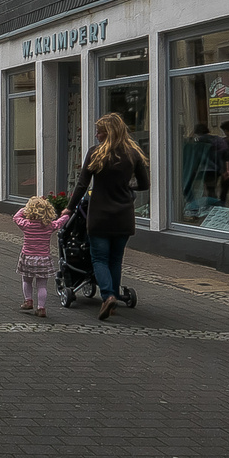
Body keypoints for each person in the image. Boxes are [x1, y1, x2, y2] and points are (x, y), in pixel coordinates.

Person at [64, 112, 151, 320]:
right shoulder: (133, 154)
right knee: (115, 259)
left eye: (99, 131)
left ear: (108, 132)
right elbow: (145, 185)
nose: (96, 135)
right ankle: (112, 296)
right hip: (124, 215)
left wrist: (69, 209)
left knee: (99, 258)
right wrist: (127, 185)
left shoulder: (95, 153)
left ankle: (108, 296)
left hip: (100, 215)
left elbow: (82, 185)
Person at [14, 195, 70, 317]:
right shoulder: (48, 226)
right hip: (43, 259)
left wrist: (25, 209)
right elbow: (60, 223)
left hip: (28, 258)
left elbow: (16, 217)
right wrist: (67, 214)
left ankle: (28, 300)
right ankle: (41, 308)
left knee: (26, 280)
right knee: (42, 285)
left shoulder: (26, 225)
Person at [180, 121, 224, 219]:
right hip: (215, 168)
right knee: (212, 189)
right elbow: (224, 153)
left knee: (191, 187)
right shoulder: (217, 139)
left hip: (204, 168)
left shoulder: (199, 142)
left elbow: (195, 156)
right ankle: (215, 209)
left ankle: (196, 209)